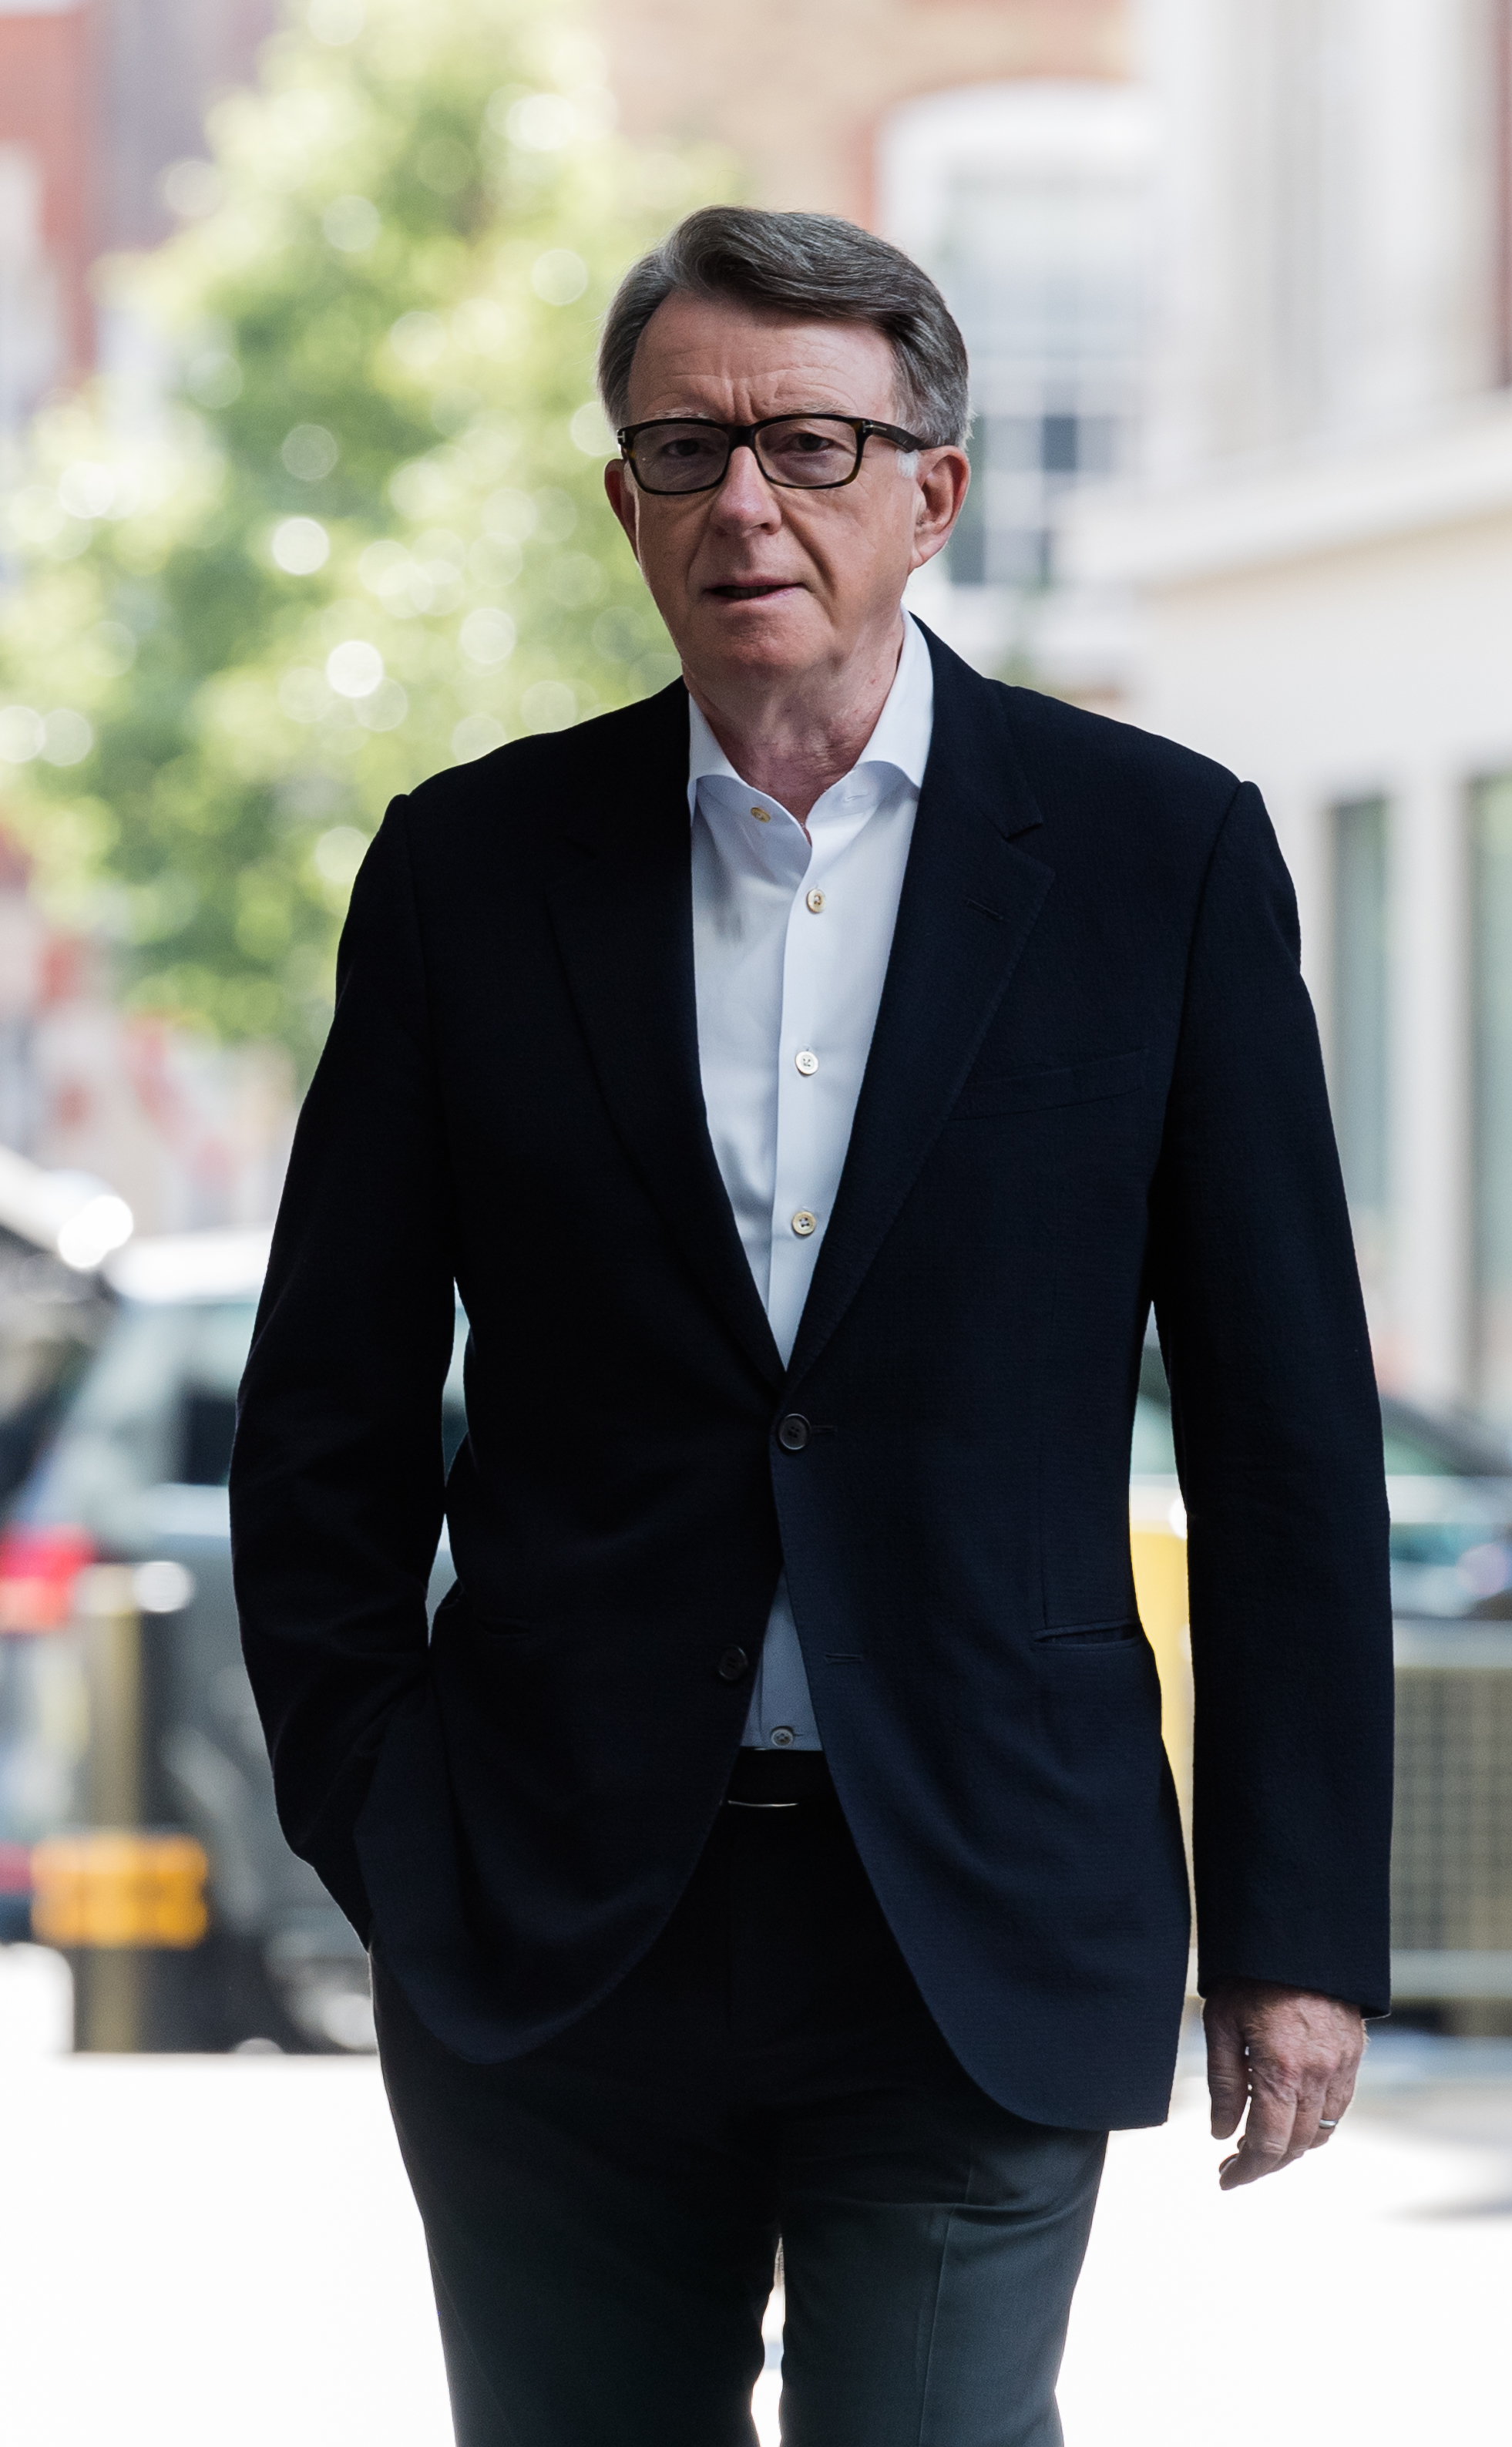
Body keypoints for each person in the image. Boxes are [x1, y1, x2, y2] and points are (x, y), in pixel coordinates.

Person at [230, 205, 1393, 2446]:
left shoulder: (1158, 861)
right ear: (623, 502)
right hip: (552, 1913)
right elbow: (325, 1417)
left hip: (976, 1895)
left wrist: (1296, 1934)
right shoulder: (471, 872)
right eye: (685, 451)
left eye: (809, 447)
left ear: (931, 493)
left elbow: (1284, 1443)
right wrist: (383, 1817)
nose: (744, 503)